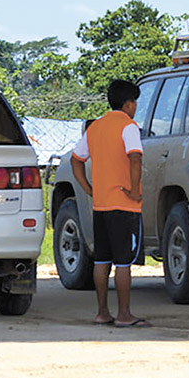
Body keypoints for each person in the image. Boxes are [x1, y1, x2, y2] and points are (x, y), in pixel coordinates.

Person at [71, 79, 150, 328]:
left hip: (101, 204)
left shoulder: (95, 127)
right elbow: (135, 158)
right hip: (124, 204)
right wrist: (135, 190)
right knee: (123, 261)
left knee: (101, 260)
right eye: (135, 102)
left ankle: (102, 312)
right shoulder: (129, 127)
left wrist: (89, 189)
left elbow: (76, 160)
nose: (136, 106)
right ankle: (125, 314)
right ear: (128, 103)